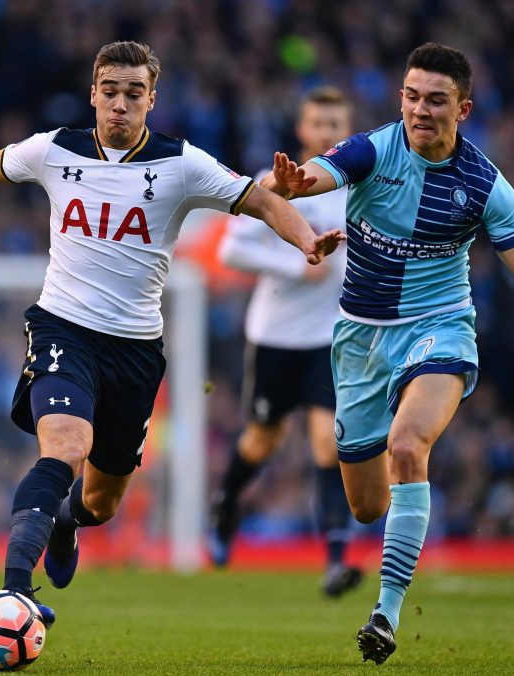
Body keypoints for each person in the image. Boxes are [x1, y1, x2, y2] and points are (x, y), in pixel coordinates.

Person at [0, 40, 344, 629]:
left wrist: (305, 240)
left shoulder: (182, 163)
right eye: (109, 92)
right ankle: (13, 592)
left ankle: (65, 520)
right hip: (63, 325)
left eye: (133, 94)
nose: (120, 105)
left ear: (151, 100)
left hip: (136, 349)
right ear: (93, 93)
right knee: (64, 446)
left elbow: (261, 199)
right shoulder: (53, 150)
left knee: (100, 502)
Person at [260, 42, 514, 664]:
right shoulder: (373, 148)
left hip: (440, 328)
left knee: (408, 446)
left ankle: (385, 615)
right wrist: (294, 185)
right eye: (412, 96)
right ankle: (397, 521)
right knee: (367, 506)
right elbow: (316, 174)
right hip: (360, 340)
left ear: (464, 108)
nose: (420, 110)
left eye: (436, 100)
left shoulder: (484, 186)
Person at [209, 86, 361, 597]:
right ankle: (226, 503)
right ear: (302, 131)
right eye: (318, 123)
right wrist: (295, 263)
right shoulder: (275, 184)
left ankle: (336, 559)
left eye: (335, 124)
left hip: (328, 337)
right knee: (262, 440)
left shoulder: (358, 187)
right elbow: (230, 251)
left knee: (328, 441)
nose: (326, 132)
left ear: (348, 131)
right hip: (274, 336)